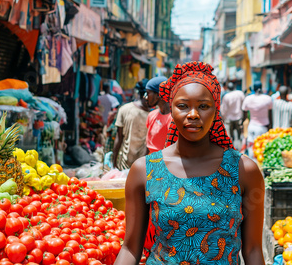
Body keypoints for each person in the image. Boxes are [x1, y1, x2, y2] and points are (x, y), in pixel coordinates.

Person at [114, 62, 265, 265]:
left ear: (215, 110)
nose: (193, 114)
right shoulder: (144, 170)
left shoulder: (243, 170)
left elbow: (253, 249)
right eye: (183, 106)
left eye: (203, 106)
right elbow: (131, 248)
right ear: (171, 110)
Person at [111, 79, 151, 170]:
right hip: (140, 165)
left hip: (128, 163)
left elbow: (119, 138)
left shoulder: (124, 109)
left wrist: (114, 163)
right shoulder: (154, 115)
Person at [242, 81, 273, 153]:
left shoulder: (248, 99)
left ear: (253, 88)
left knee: (251, 150)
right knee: (262, 149)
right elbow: (270, 114)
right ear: (261, 87)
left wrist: (243, 126)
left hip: (252, 127)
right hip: (264, 127)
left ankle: (252, 163)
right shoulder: (268, 98)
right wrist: (271, 126)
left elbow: (244, 114)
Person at [145, 76, 172, 154]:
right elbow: (148, 145)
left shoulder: (173, 119)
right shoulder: (151, 115)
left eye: (148, 93)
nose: (146, 97)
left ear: (158, 95)